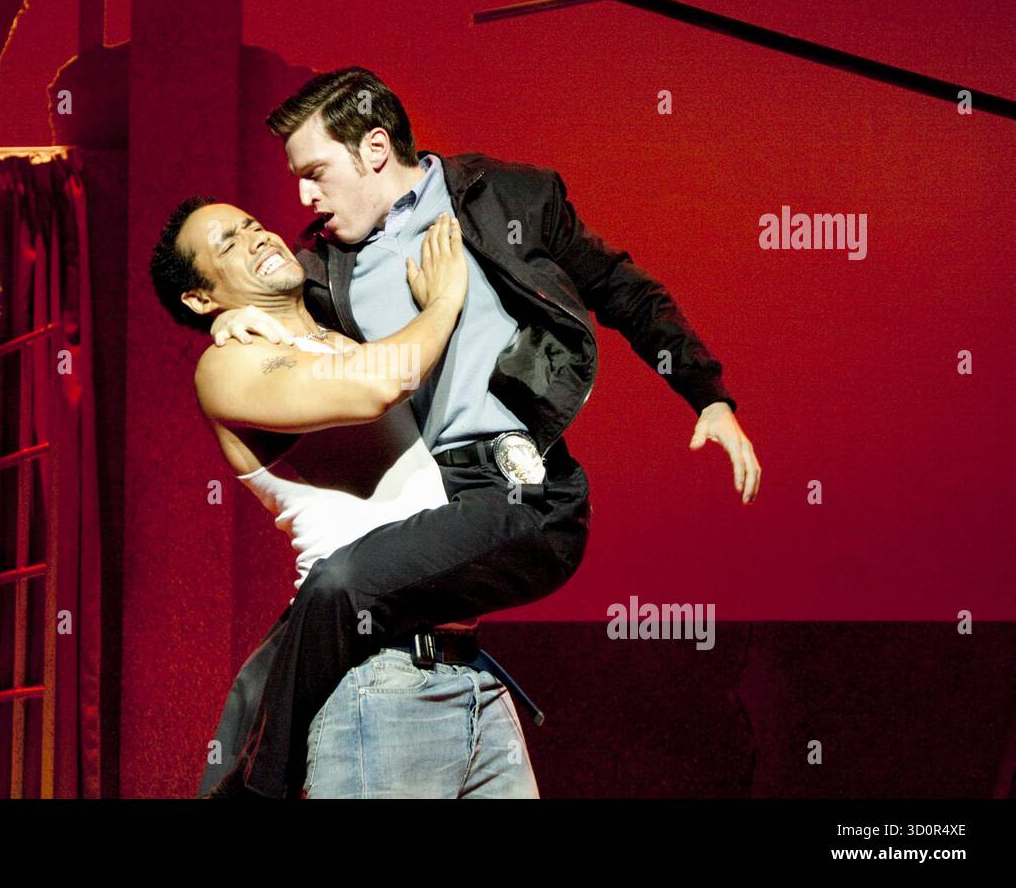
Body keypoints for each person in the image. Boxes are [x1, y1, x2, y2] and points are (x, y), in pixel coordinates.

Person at [202, 67, 762, 798]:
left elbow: (623, 287)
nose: (303, 196)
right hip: (448, 500)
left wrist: (707, 395)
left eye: (315, 172)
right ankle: (250, 770)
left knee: (340, 585)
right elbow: (276, 324)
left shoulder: (510, 198)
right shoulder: (325, 268)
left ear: (375, 150)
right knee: (322, 609)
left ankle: (257, 790)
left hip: (530, 491)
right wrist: (224, 321)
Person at [152, 200, 542, 797]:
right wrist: (442, 301)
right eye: (229, 244)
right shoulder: (227, 366)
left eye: (254, 225)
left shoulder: (348, 332)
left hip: (473, 672)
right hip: (375, 680)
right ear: (201, 300)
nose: (257, 238)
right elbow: (379, 385)